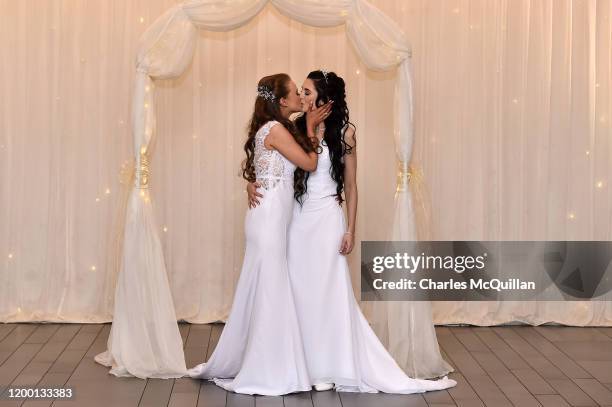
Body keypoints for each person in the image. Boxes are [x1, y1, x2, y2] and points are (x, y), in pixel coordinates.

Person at [247, 70, 456, 394]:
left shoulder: (345, 132)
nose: (301, 98)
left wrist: (351, 228)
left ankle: (335, 364)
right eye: (299, 92)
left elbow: (351, 185)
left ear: (324, 99)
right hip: (297, 219)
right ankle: (305, 365)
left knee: (329, 290)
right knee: (299, 291)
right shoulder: (294, 126)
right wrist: (252, 182)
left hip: (328, 216)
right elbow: (270, 159)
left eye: (306, 92)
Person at [187, 73, 331, 396]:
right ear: (282, 101)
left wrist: (250, 183)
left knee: (266, 288)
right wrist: (310, 127)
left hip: (267, 220)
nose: (300, 97)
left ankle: (269, 361)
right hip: (267, 223)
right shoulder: (276, 130)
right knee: (270, 290)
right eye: (295, 93)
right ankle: (268, 367)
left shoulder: (276, 128)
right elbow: (309, 163)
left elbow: (266, 172)